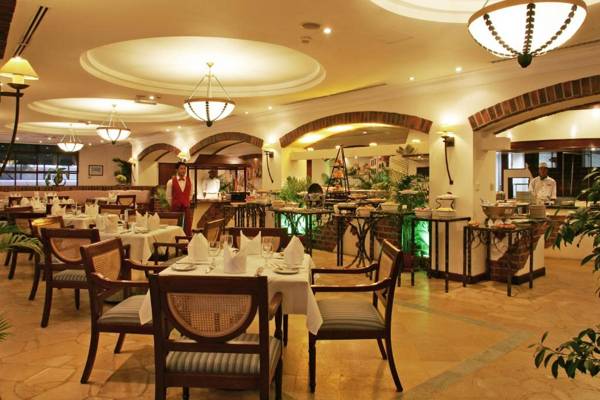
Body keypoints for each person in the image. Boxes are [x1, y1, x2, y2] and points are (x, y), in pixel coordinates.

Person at [166, 162, 193, 235]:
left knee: (187, 228)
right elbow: (168, 197)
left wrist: (186, 202)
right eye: (181, 168)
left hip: (186, 209)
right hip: (175, 209)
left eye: (184, 169)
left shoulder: (190, 181)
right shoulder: (170, 182)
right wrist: (175, 204)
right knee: (175, 228)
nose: (183, 170)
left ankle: (186, 241)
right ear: (177, 170)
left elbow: (191, 194)